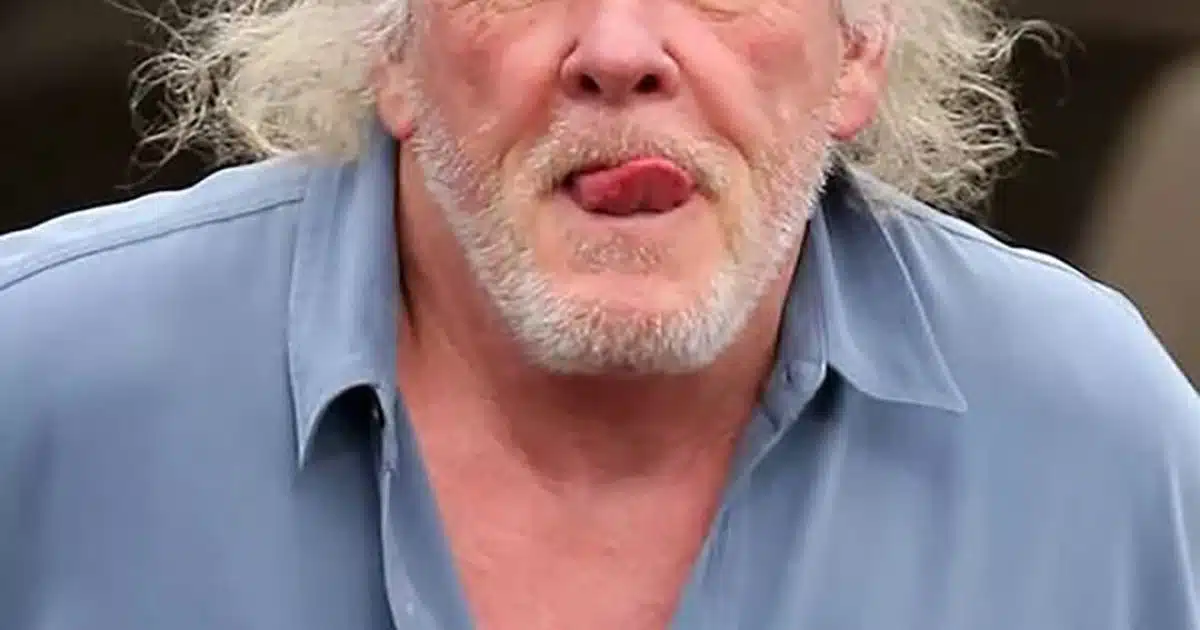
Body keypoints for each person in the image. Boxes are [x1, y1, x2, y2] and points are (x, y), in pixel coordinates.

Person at [0, 0, 1196, 627]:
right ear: (392, 51)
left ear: (858, 50)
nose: (620, 51)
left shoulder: (1091, 439)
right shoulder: (41, 375)